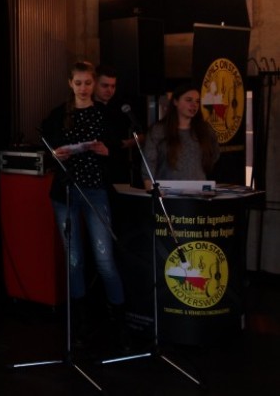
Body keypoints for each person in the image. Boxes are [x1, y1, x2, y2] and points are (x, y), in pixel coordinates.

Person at [41, 61, 129, 350]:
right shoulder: (59, 114)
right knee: (74, 260)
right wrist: (56, 154)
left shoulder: (104, 113)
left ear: (94, 84)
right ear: (70, 83)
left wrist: (107, 150)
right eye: (78, 83)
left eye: (88, 83)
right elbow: (47, 146)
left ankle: (119, 323)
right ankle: (80, 323)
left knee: (104, 259)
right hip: (66, 193)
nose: (83, 88)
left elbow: (118, 149)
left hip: (95, 191)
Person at [142, 82, 220, 190]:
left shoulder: (205, 130)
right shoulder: (159, 130)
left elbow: (214, 155)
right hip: (168, 192)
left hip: (199, 191)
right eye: (188, 100)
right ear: (175, 101)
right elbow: (148, 165)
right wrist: (152, 191)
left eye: (197, 101)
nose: (194, 105)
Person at [93, 64, 143, 186]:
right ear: (94, 84)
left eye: (113, 86)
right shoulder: (89, 108)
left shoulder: (122, 106)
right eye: (105, 86)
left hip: (120, 167)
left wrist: (131, 141)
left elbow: (140, 132)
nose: (109, 90)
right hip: (97, 169)